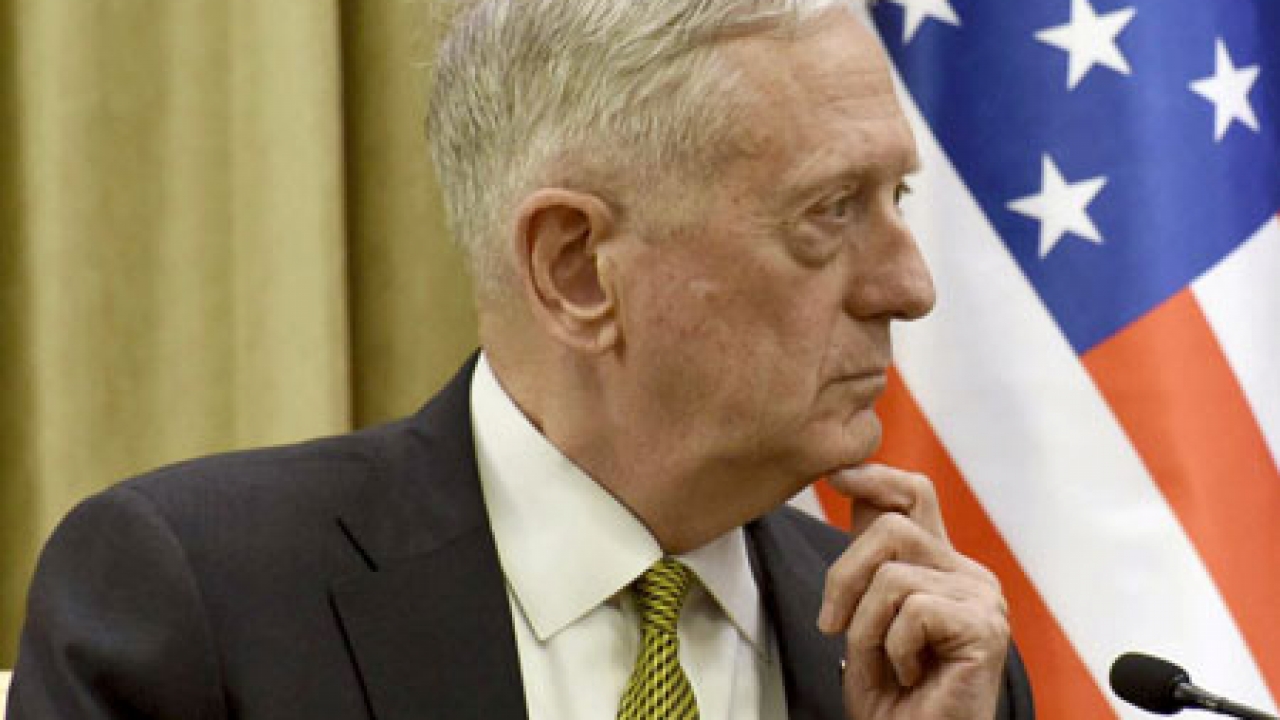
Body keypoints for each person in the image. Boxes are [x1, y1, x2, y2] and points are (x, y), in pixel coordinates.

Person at [8, 0, 1034, 718]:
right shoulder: (201, 605)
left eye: (895, 199)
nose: (908, 286)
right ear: (575, 268)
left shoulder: (912, 649)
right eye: (830, 211)